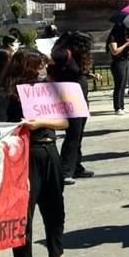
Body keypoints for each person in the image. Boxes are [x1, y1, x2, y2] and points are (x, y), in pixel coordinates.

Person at [2, 48, 85, 257]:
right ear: (26, 67)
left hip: (50, 152)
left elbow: (64, 122)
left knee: (55, 208)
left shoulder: (44, 91)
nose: (42, 70)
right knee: (23, 216)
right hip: (25, 157)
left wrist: (41, 123)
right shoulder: (9, 95)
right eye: (38, 65)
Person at [50, 32, 94, 185]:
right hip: (70, 100)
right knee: (73, 135)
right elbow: (52, 59)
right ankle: (65, 170)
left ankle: (76, 166)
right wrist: (63, 39)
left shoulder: (76, 56)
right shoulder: (64, 53)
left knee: (79, 134)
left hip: (80, 99)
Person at [106, 23, 129, 116]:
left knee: (123, 85)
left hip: (125, 60)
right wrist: (125, 44)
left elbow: (126, 50)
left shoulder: (122, 38)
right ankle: (117, 107)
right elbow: (115, 52)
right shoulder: (112, 38)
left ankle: (122, 106)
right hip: (118, 63)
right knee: (119, 85)